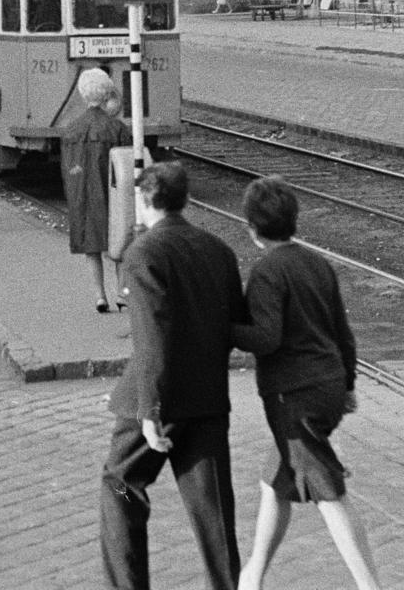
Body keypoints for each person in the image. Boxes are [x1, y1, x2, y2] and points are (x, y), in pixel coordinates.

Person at [99, 160, 246, 590]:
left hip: (157, 401)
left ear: (145, 200)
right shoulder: (218, 250)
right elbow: (234, 323)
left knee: (122, 485)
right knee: (213, 510)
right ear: (184, 200)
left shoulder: (143, 253)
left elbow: (151, 336)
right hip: (207, 399)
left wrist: (150, 408)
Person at [232, 176, 382, 590]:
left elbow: (266, 338)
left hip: (293, 394)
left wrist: (224, 328)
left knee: (328, 492)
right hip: (329, 384)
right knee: (275, 481)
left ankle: (370, 586)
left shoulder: (266, 271)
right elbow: (342, 330)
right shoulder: (317, 263)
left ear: (251, 227)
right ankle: (252, 577)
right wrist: (348, 384)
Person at [61, 69, 128, 313]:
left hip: (83, 194)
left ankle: (100, 296)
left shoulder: (71, 130)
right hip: (112, 194)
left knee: (91, 248)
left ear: (82, 94)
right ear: (106, 93)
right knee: (121, 244)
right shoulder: (117, 129)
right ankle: (122, 292)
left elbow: (68, 169)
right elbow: (126, 166)